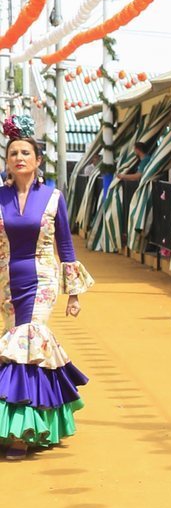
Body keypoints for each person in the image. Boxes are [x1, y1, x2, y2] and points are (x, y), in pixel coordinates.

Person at [0, 115, 93, 460]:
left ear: (38, 160)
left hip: (42, 279)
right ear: (7, 161)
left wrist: (74, 292)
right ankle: (38, 424)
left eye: (25, 152)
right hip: (7, 281)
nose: (19, 158)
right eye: (13, 154)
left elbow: (66, 247)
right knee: (12, 350)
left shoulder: (53, 197)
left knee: (27, 342)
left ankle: (20, 436)